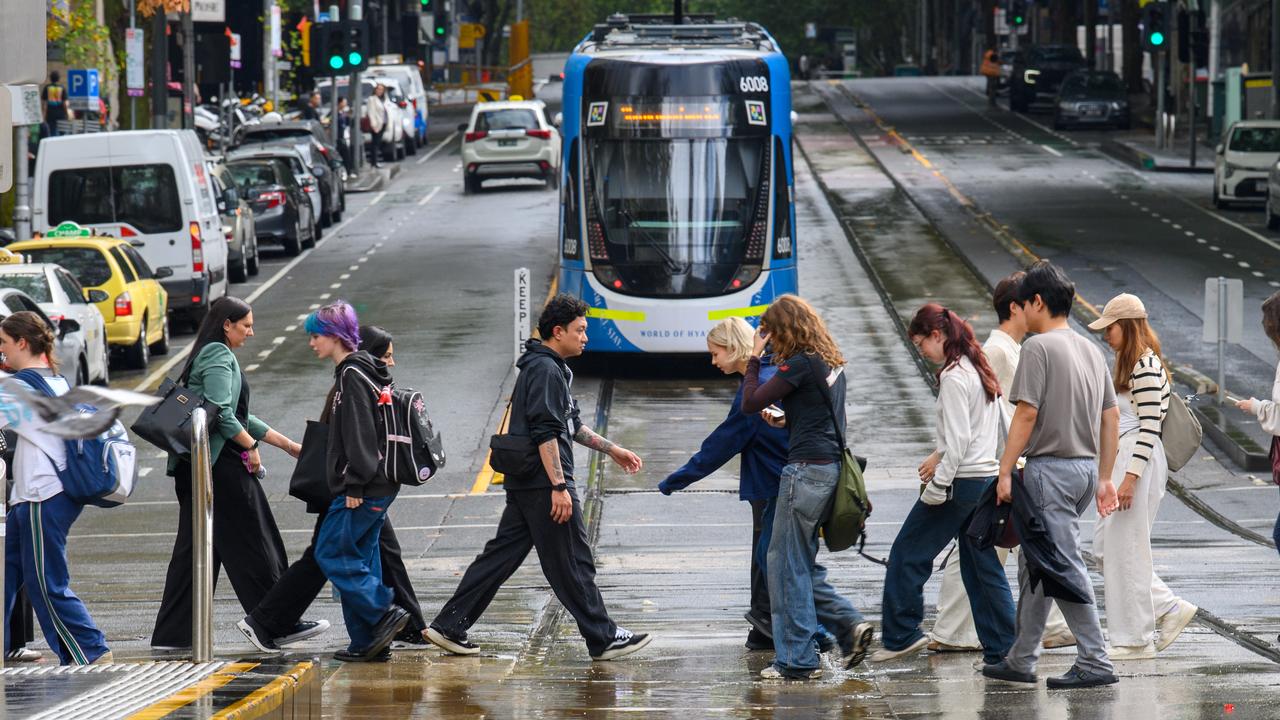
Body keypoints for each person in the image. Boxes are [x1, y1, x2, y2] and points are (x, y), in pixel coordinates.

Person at [427, 294, 652, 662]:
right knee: (574, 561)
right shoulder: (546, 370)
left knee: (500, 558)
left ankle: (449, 625)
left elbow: (572, 425)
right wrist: (559, 487)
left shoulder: (548, 367)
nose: (585, 337)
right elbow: (547, 432)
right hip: (544, 484)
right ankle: (603, 636)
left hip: (527, 482)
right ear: (558, 331)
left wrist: (612, 449)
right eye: (580, 330)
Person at [237, 324, 432, 654]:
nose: (392, 363)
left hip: (359, 483)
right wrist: (354, 482)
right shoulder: (356, 380)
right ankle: (382, 621)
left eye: (316, 336)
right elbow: (358, 439)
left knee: (353, 556)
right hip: (355, 485)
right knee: (334, 555)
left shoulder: (356, 379)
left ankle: (373, 635)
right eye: (387, 355)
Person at [983, 260, 1121, 690]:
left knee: (1061, 565)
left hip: (1049, 472)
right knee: (1036, 563)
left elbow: (1025, 414)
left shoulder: (1038, 349)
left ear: (1038, 302)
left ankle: (1095, 661)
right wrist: (1103, 476)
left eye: (1024, 305)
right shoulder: (1090, 350)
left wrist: (1005, 470)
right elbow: (1111, 417)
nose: (1021, 313)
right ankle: (1021, 658)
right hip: (1082, 470)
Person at [928, 272, 1074, 653]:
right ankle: (956, 630)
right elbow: (981, 415)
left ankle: (962, 629)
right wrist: (943, 454)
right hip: (996, 465)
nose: (1036, 308)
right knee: (987, 547)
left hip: (1009, 462)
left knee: (1016, 546)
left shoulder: (1014, 350)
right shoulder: (998, 351)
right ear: (1015, 307)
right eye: (1030, 301)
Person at [151, 297, 307, 651]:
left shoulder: (208, 353)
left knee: (195, 552)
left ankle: (172, 635)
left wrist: (286, 445)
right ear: (227, 324)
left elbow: (236, 414)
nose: (251, 332)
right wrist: (250, 447)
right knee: (256, 539)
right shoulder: (219, 355)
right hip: (218, 465)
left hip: (199, 466)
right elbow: (220, 413)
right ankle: (275, 623)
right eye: (246, 325)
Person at [870, 304, 1016, 667]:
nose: (922, 352)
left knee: (907, 554)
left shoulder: (953, 376)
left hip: (959, 483)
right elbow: (989, 429)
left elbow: (959, 441)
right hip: (983, 479)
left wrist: (938, 486)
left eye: (921, 344)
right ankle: (1006, 650)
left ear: (937, 335)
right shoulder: (978, 367)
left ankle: (901, 635)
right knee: (981, 568)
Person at [740, 295, 874, 680]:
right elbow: (825, 417)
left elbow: (750, 401)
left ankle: (797, 659)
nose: (769, 341)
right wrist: (788, 422)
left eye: (770, 333)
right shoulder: (831, 362)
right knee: (797, 562)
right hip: (830, 468)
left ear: (783, 330)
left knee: (782, 565)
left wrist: (753, 357)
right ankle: (844, 628)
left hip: (805, 473)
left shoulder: (798, 363)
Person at [659, 317, 788, 651]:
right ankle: (762, 631)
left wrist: (677, 479)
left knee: (769, 558)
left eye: (716, 353)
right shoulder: (769, 374)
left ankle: (791, 627)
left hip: (774, 485)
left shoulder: (759, 385)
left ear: (734, 348)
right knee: (767, 556)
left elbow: (725, 441)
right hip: (777, 481)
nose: (713, 361)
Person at [1090, 293, 1198, 660]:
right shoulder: (1132, 363)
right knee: (1108, 548)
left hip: (1139, 461)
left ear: (1128, 326)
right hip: (1128, 458)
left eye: (1111, 328)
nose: (1106, 336)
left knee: (1127, 549)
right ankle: (1166, 608)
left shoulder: (1145, 366)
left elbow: (1150, 427)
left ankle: (1134, 639)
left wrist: (1129, 479)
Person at [0, 312, 110, 664]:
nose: (0, 351)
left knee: (46, 584)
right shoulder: (56, 380)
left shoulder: (19, 387)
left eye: (3, 342)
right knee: (6, 578)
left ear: (21, 343)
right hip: (35, 497)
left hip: (42, 495)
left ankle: (90, 651)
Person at [306, 304, 411, 661]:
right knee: (362, 558)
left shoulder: (352, 375)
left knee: (331, 551)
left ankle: (382, 611)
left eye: (316, 335)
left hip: (365, 486)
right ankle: (368, 643)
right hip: (379, 483)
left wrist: (353, 485)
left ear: (336, 337)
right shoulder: (363, 372)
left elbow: (360, 435)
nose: (311, 343)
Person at [365, 83, 388, 168]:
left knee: (378, 143)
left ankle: (375, 161)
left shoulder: (382, 99)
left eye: (381, 89)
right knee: (375, 144)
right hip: (376, 125)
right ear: (375, 90)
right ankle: (374, 162)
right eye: (378, 89)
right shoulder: (372, 99)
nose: (380, 91)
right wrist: (374, 125)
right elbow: (371, 113)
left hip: (383, 124)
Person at [42, 71, 67, 137]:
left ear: (50, 78)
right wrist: (66, 113)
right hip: (60, 114)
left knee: (52, 132)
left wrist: (44, 116)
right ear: (58, 78)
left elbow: (45, 104)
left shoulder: (47, 88)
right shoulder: (62, 88)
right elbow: (64, 103)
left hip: (50, 114)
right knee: (62, 132)